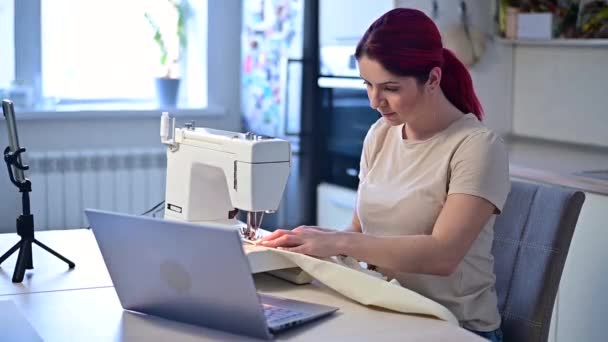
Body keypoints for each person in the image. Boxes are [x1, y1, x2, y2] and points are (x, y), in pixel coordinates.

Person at [259, 8, 509, 342]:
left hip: (454, 327)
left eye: (390, 88)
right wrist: (308, 240)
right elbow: (360, 232)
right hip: (389, 308)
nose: (376, 101)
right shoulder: (380, 134)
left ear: (433, 79)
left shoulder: (477, 147)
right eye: (368, 85)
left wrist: (338, 241)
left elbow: (443, 255)